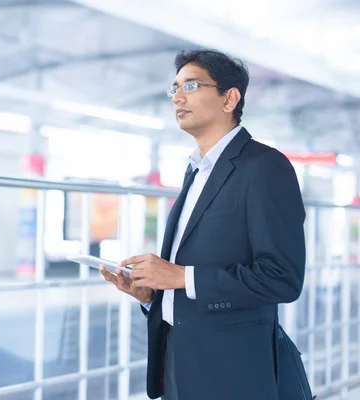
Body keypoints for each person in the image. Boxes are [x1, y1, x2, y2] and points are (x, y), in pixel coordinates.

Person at [101, 49, 306, 400]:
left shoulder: (264, 167)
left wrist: (181, 276)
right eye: (175, 88)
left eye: (191, 85)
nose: (177, 97)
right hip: (176, 365)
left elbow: (282, 278)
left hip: (232, 373)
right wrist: (152, 295)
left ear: (230, 98)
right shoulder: (195, 171)